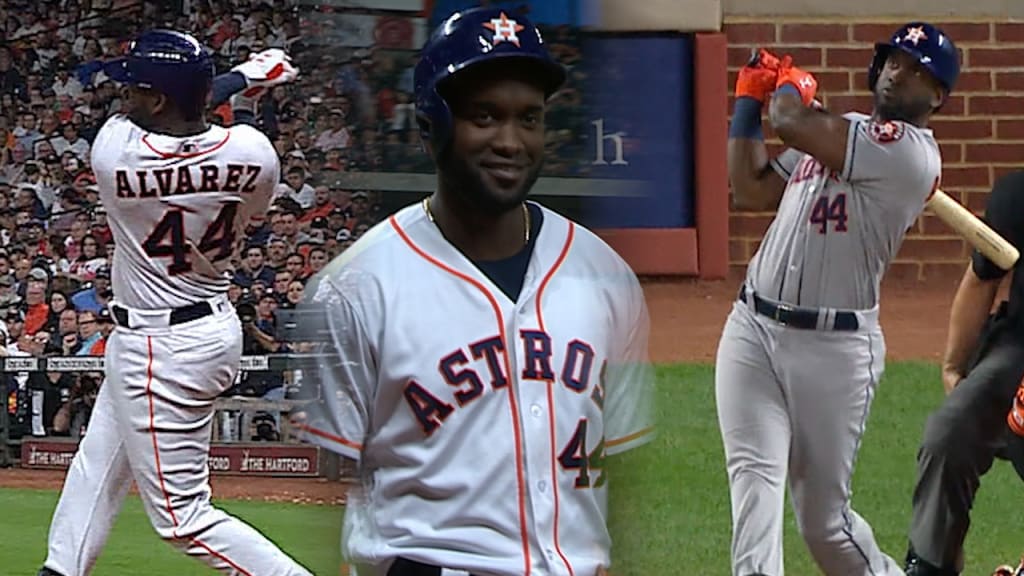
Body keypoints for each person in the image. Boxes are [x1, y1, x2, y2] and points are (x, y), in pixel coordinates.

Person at [289, 7, 653, 576]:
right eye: (485, 116)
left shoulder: (604, 274)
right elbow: (344, 492)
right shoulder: (356, 286)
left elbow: (605, 484)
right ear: (430, 122)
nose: (511, 141)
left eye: (528, 119)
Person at [37, 30, 312, 576]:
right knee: (100, 461)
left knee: (183, 518)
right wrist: (252, 77)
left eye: (135, 89)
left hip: (162, 347)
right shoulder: (254, 154)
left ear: (157, 99)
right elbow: (199, 111)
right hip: (201, 324)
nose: (123, 97)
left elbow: (192, 104)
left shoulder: (113, 153)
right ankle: (60, 568)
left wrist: (245, 76)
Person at [716, 22, 958, 576]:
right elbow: (751, 188)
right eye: (896, 60)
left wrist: (790, 88)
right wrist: (748, 105)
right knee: (754, 488)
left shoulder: (912, 157)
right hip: (752, 328)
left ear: (938, 96)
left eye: (919, 70)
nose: (900, 72)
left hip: (834, 349)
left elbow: (791, 120)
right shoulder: (842, 130)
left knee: (825, 526)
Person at [902, 168, 1024, 575]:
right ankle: (930, 562)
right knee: (948, 433)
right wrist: (955, 367)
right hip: (1019, 350)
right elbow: (981, 279)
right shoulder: (1018, 193)